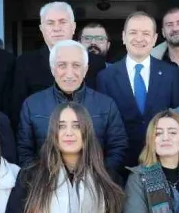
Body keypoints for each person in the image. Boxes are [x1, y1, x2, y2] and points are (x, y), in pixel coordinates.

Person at [17, 40, 127, 177]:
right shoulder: (32, 104)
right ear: (52, 69)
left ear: (85, 69)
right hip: (47, 187)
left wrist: (97, 178)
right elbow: (24, 151)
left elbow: (118, 148)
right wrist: (43, 180)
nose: (69, 73)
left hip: (96, 187)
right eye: (62, 65)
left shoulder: (106, 104)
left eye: (76, 65)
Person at [96, 12, 179, 171]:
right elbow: (103, 125)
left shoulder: (171, 73)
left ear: (155, 38)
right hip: (119, 165)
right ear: (123, 37)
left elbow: (178, 117)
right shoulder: (105, 77)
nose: (139, 38)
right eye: (133, 33)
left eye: (146, 33)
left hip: (161, 163)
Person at [10, 1, 105, 124]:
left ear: (73, 27)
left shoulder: (95, 62)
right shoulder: (25, 63)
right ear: (41, 29)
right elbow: (17, 111)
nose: (56, 28)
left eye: (62, 22)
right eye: (50, 23)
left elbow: (102, 107)